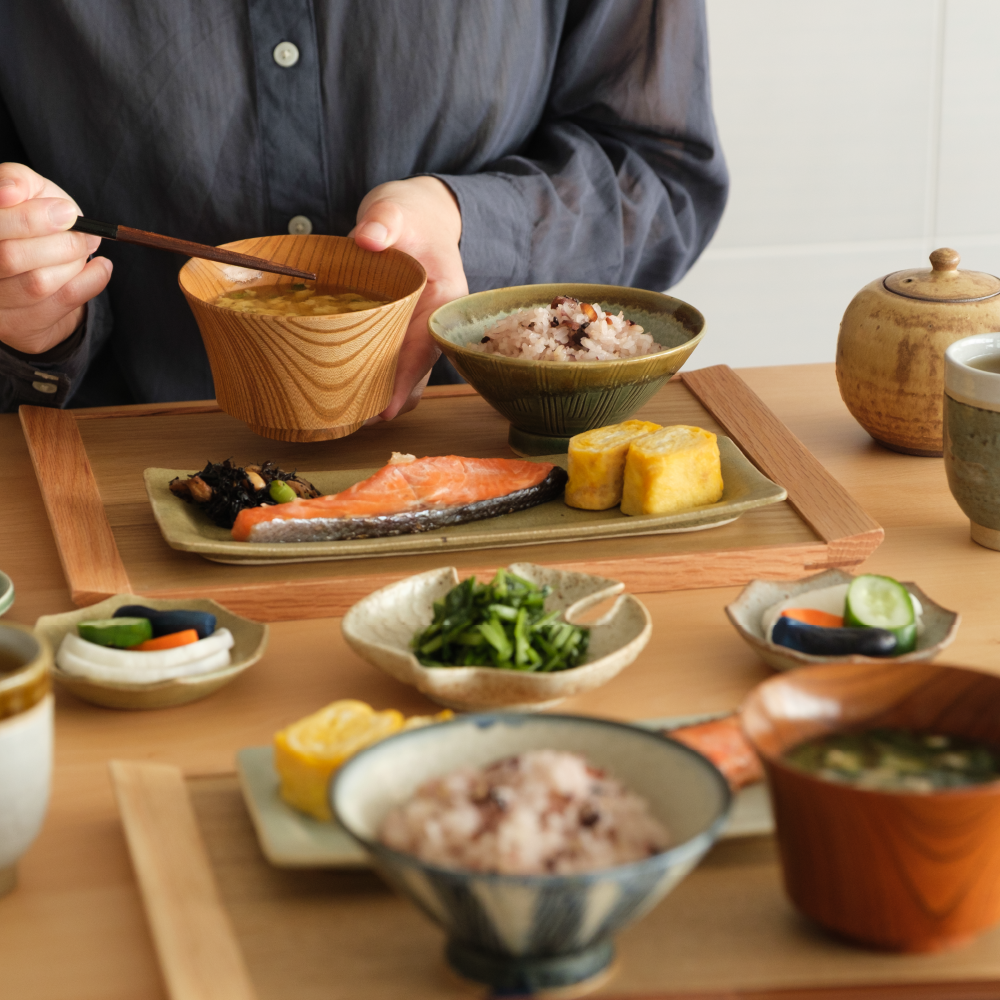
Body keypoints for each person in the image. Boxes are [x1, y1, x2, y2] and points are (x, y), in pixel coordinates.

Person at [0, 1, 727, 417]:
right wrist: (25, 319)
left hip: (493, 450)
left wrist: (467, 223)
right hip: (100, 471)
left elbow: (658, 170)